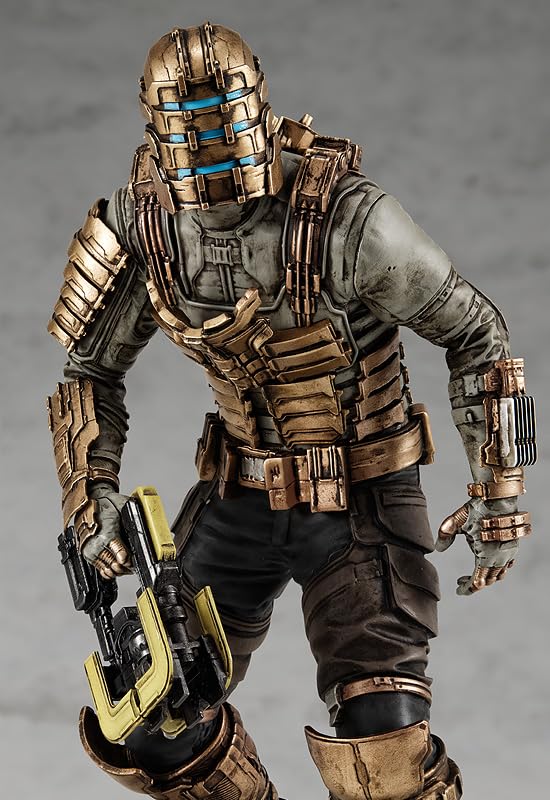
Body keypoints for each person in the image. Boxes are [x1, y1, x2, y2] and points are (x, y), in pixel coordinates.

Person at [47, 22, 536, 800]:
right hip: (238, 494)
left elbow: (476, 332)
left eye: (224, 133)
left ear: (259, 112)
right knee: (153, 721)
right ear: (158, 133)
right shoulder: (148, 225)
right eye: (190, 137)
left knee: (384, 751)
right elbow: (88, 370)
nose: (212, 160)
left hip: (361, 496)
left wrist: (498, 490)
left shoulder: (346, 220)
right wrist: (92, 494)